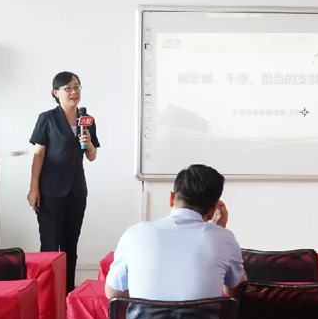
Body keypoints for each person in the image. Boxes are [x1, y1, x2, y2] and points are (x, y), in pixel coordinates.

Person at [105, 164, 246, 301]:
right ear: (213, 210)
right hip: (203, 318)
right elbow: (235, 294)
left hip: (144, 318)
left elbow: (113, 293)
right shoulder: (224, 239)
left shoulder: (135, 234)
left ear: (172, 198)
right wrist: (220, 230)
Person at [28, 71, 99, 293]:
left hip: (76, 191)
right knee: (50, 245)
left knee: (71, 246)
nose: (73, 92)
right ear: (56, 92)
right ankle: (46, 293)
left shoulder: (87, 120)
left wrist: (88, 144)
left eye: (77, 87)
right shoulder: (47, 118)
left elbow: (92, 156)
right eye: (67, 88)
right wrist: (33, 188)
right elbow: (39, 154)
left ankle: (68, 293)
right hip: (50, 191)